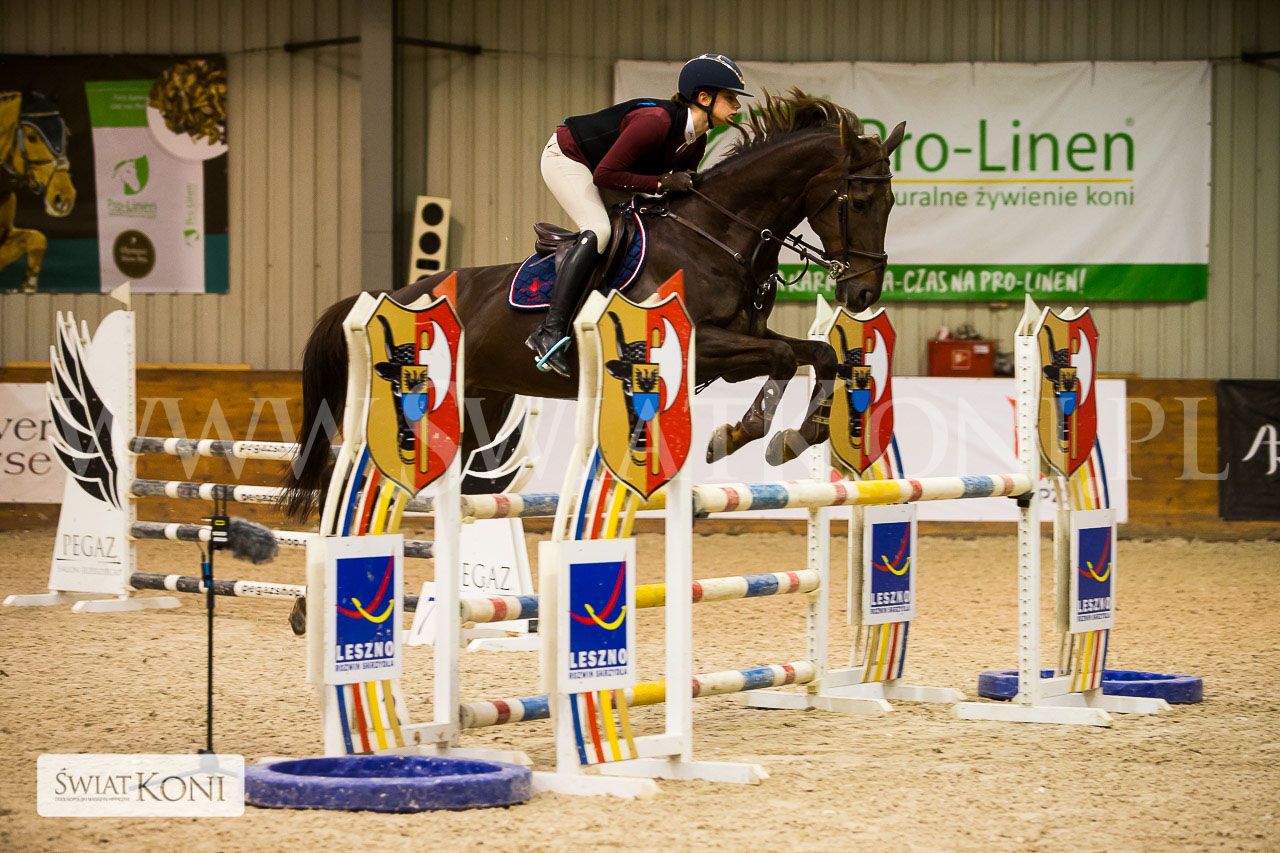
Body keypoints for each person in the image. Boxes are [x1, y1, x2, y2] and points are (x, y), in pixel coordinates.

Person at [525, 53, 752, 377]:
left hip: (608, 172)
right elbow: (605, 175)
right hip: (569, 158)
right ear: (704, 98)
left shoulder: (696, 142)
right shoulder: (655, 122)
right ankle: (549, 331)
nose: (737, 106)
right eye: (730, 97)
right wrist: (660, 182)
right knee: (599, 230)